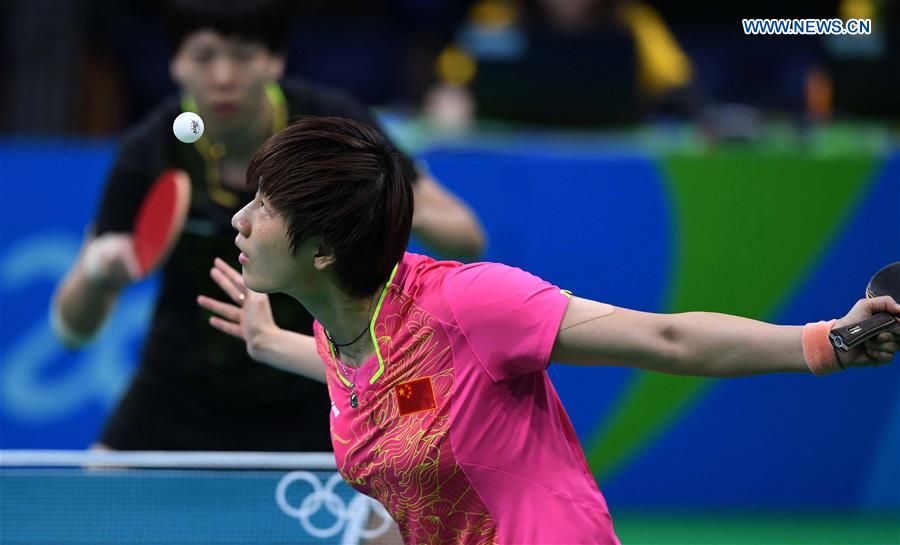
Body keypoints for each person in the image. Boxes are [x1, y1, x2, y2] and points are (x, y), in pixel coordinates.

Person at [198, 116, 899, 544]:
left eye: (264, 206)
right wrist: (267, 345)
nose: (241, 219)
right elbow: (388, 387)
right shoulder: (344, 326)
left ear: (323, 250)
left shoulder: (469, 304)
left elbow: (665, 339)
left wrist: (827, 342)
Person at [51, 0, 485, 452]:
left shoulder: (330, 126)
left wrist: (363, 202)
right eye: (203, 56)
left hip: (326, 393)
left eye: (242, 55)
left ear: (275, 60)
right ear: (176, 65)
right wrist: (100, 270)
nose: (223, 76)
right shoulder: (150, 151)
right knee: (92, 506)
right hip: (176, 399)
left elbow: (467, 236)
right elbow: (72, 330)